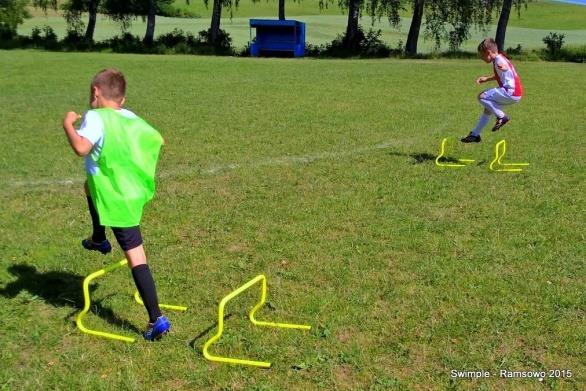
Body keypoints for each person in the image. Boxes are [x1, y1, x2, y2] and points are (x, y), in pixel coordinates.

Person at [62, 68, 170, 341]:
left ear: (95, 92)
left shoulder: (96, 117)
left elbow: (81, 149)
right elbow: (157, 138)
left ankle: (156, 318)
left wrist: (67, 125)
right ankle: (99, 237)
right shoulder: (129, 116)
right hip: (130, 192)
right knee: (89, 185)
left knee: (137, 258)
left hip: (116, 198)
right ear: (121, 100)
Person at [461, 38, 523, 143]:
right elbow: (501, 73)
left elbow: (505, 68)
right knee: (488, 108)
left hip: (510, 92)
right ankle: (475, 134)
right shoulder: (499, 58)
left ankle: (502, 117)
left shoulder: (499, 60)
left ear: (488, 52)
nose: (481, 58)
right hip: (515, 93)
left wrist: (503, 68)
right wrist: (487, 79)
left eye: (482, 55)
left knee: (481, 96)